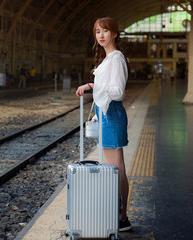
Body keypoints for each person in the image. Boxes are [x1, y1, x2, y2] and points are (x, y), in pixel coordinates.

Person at [75, 17, 132, 232]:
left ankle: (122, 217)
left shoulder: (116, 57)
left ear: (114, 34)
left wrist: (93, 89)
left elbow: (118, 91)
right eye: (98, 31)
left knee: (116, 168)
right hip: (107, 115)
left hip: (113, 116)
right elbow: (106, 87)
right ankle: (119, 213)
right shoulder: (108, 58)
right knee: (115, 167)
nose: (100, 35)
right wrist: (93, 89)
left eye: (105, 31)